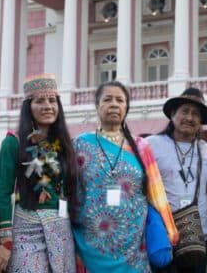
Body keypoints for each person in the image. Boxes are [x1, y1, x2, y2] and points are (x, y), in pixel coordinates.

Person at [72, 81, 178, 273]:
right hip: (89, 243)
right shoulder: (79, 144)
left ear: (126, 108)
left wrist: (169, 230)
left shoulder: (140, 146)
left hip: (134, 246)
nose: (114, 104)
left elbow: (156, 192)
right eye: (107, 99)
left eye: (120, 100)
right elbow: (69, 191)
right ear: (97, 106)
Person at [0, 73, 76, 272]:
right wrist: (6, 240)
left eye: (52, 100)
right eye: (40, 101)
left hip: (61, 227)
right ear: (28, 107)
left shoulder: (65, 144)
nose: (48, 106)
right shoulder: (13, 142)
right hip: (26, 227)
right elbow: (2, 192)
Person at [146, 87, 207, 273]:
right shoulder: (151, 145)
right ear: (172, 115)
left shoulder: (205, 150)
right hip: (163, 234)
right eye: (185, 111)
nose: (190, 118)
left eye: (196, 114)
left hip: (197, 237)